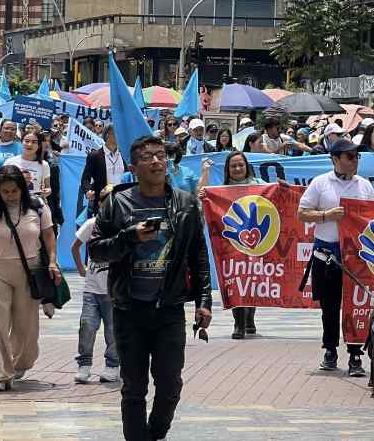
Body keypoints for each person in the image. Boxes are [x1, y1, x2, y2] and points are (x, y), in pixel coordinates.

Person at [88, 136, 213, 441]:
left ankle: (155, 434)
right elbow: (96, 250)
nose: (156, 161)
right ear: (133, 167)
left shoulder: (186, 204)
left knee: (170, 385)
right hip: (129, 309)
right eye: (147, 157)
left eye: (160, 155)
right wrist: (129, 237)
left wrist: (204, 300)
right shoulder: (117, 203)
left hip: (169, 309)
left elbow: (198, 255)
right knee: (134, 388)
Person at [0, 166, 61, 391]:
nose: (10, 196)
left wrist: (52, 261)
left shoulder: (38, 207)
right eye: (5, 191)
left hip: (29, 270)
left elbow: (49, 235)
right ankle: (2, 373)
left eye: (14, 191)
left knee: (26, 328)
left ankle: (19, 363)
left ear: (22, 189)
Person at [298, 139, 374, 377]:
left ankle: (355, 354)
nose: (354, 161)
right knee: (329, 307)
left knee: (356, 307)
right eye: (349, 156)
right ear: (335, 159)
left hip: (357, 255)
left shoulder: (364, 185)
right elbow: (302, 213)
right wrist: (327, 215)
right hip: (327, 254)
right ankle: (330, 350)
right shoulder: (320, 183)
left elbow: (373, 218)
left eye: (357, 156)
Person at [199, 151, 265, 339]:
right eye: (233, 166)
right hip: (231, 241)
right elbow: (203, 200)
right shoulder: (221, 190)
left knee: (252, 279)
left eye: (240, 165)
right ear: (228, 170)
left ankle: (249, 317)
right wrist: (203, 194)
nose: (237, 168)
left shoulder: (260, 184)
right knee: (236, 280)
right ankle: (239, 323)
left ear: (247, 166)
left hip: (257, 241)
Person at [71, 215, 119, 384]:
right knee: (87, 326)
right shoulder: (92, 224)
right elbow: (75, 246)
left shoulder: (121, 223)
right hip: (91, 289)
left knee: (113, 330)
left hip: (113, 290)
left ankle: (112, 366)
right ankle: (84, 364)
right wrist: (81, 268)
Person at [81, 126, 124, 217]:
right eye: (117, 133)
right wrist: (88, 191)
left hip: (122, 201)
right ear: (108, 135)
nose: (120, 135)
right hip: (102, 201)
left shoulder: (124, 155)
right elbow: (85, 178)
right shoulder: (95, 156)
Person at [3, 131, 51, 199]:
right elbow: (1, 184)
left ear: (39, 145)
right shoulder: (10, 162)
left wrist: (47, 191)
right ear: (21, 142)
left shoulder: (44, 165)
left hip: (34, 202)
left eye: (34, 142)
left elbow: (48, 187)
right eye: (27, 141)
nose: (29, 144)